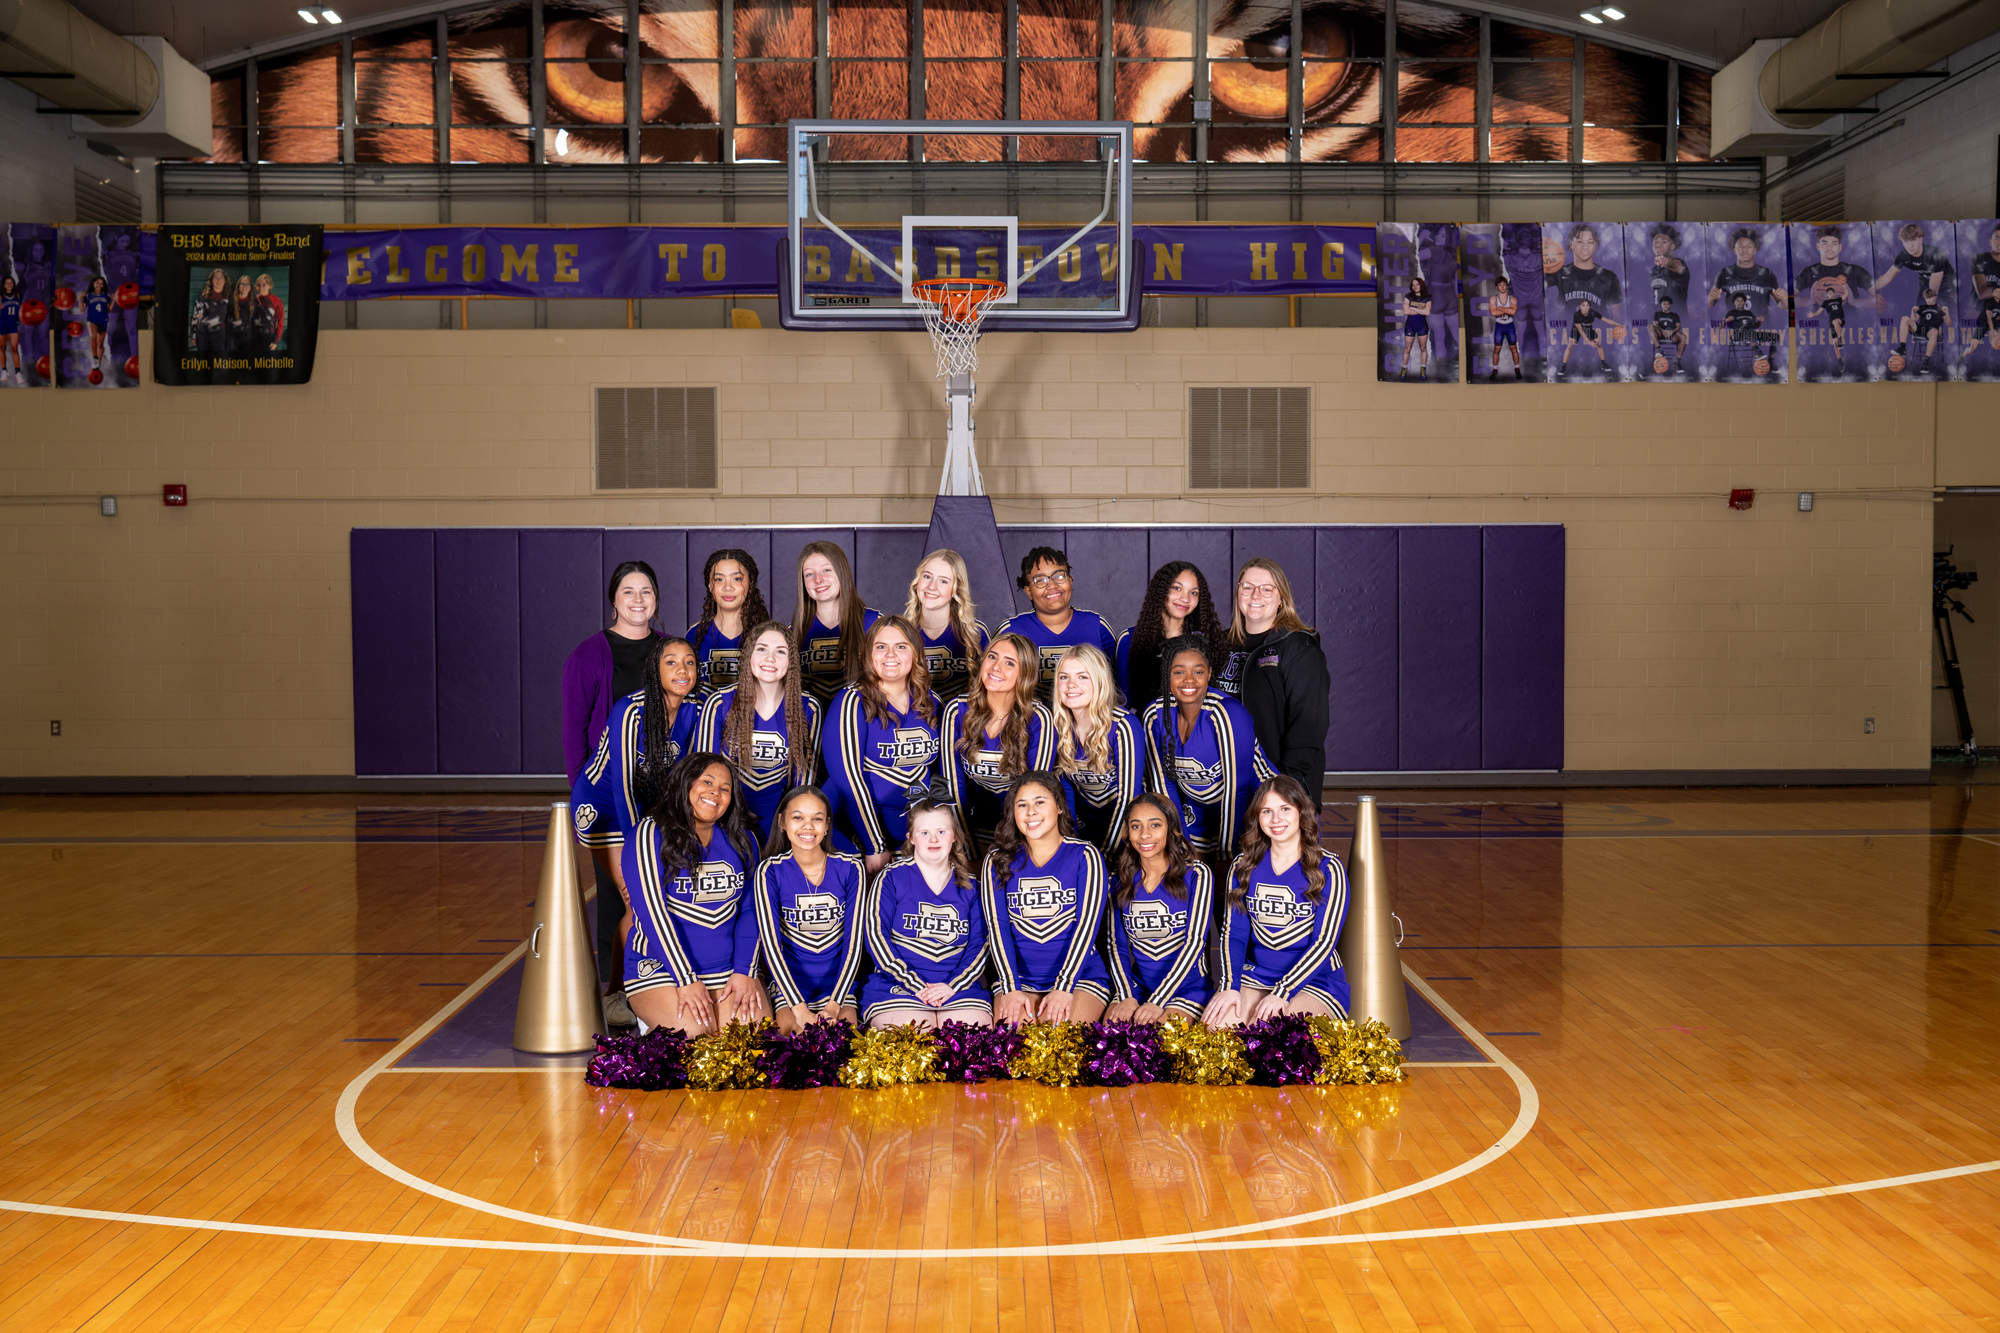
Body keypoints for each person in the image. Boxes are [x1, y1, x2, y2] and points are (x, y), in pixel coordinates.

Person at [572, 634, 700, 1024]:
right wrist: (637, 854)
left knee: (661, 896)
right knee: (637, 901)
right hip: (605, 808)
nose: (682, 670)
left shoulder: (696, 710)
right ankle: (614, 994)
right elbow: (624, 787)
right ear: (654, 670)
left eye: (689, 662)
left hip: (647, 809)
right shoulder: (631, 710)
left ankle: (649, 981)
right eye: (671, 662)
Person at [622, 752, 768, 1035]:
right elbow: (653, 913)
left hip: (728, 970)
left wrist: (745, 971)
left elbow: (752, 910)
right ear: (685, 782)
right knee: (697, 1040)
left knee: (750, 1041)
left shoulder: (744, 838)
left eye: (725, 788)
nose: (716, 792)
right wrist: (685, 978)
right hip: (663, 970)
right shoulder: (649, 833)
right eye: (707, 782)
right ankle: (652, 1022)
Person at [1202, 775, 1349, 1028]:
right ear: (1257, 818)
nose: (1276, 819)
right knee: (1216, 1029)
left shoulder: (1328, 868)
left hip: (1314, 980)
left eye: (1285, 809)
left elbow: (1324, 942)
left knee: (1281, 1035)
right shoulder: (1243, 866)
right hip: (1257, 975)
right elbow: (1234, 934)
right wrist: (1229, 986)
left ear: (1301, 812)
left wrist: (1283, 992)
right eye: (1266, 811)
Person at [981, 771, 1111, 1025]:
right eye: (1022, 805)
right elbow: (997, 927)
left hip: (1079, 979)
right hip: (1018, 980)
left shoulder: (1085, 855)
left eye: (1040, 802)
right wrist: (1010, 987)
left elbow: (1086, 928)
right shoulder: (997, 859)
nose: (1031, 812)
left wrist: (1064, 986)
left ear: (1059, 807)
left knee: (1061, 1040)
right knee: (1012, 1043)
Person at [860, 794, 993, 1029]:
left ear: (954, 836)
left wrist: (953, 986)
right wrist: (914, 984)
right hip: (897, 985)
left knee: (970, 1042)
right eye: (924, 833)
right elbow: (875, 937)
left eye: (941, 831)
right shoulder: (891, 878)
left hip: (957, 987)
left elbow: (980, 944)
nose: (933, 839)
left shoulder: (973, 886)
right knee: (914, 1036)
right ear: (910, 838)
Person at [821, 614, 941, 872]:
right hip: (857, 833)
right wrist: (874, 845)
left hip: (912, 835)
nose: (890, 655)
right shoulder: (851, 701)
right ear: (868, 654)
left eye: (901, 646)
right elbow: (848, 780)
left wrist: (938, 828)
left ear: (915, 652)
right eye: (881, 646)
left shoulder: (932, 701)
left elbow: (940, 775)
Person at [1142, 634, 1276, 863]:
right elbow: (1164, 786)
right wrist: (1182, 843)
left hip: (1253, 804)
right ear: (1167, 674)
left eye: (1198, 671)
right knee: (1182, 865)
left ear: (1210, 673)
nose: (1189, 680)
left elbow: (1238, 791)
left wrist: (1226, 853)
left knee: (1240, 871)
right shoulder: (1155, 716)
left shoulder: (1227, 712)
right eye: (1179, 672)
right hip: (1199, 808)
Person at [751, 786, 867, 1032]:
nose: (808, 826)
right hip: (791, 986)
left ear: (827, 825)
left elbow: (854, 943)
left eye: (817, 819)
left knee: (842, 1043)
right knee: (793, 1041)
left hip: (838, 985)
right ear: (782, 823)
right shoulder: (769, 870)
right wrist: (799, 1008)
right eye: (798, 817)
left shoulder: (851, 868)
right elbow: (771, 946)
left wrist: (834, 1005)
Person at [695, 621, 821, 842]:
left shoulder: (808, 708)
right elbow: (704, 778)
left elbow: (803, 784)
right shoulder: (720, 703)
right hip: (726, 820)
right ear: (748, 656)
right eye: (761, 649)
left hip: (780, 823)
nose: (770, 658)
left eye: (780, 652)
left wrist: (788, 828)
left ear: (791, 661)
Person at [1102, 794, 1215, 1024]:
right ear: (1127, 833)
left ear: (1171, 829)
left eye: (1155, 825)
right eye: (1136, 826)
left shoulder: (1197, 874)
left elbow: (1194, 943)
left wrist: (1157, 1001)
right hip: (1139, 986)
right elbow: (1116, 944)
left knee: (1161, 1040)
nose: (1145, 834)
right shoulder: (1118, 880)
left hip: (1187, 987)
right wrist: (1126, 996)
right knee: (1109, 1036)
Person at [939, 633, 1056, 852]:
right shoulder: (957, 711)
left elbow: (1036, 793)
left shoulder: (1038, 718)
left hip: (1021, 834)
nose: (996, 667)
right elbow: (952, 786)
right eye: (992, 657)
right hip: (971, 830)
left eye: (1009, 663)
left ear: (1025, 674)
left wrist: (1016, 848)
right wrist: (968, 849)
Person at [1226, 558, 1330, 792]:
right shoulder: (1220, 645)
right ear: (1238, 593)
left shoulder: (1299, 648)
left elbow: (1308, 726)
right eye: (1247, 587)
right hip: (1229, 785)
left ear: (1281, 598)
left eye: (1267, 589)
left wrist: (1283, 784)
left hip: (1280, 785)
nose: (1255, 595)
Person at [561, 560, 664, 788]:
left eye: (646, 591)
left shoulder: (673, 649)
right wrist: (582, 790)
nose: (638, 599)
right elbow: (573, 731)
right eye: (628, 592)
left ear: (655, 599)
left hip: (665, 779)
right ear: (614, 601)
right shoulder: (586, 656)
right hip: (611, 780)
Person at [997, 545, 1118, 704]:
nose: (1052, 585)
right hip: (1029, 719)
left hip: (1086, 718)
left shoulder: (1097, 626)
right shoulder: (1011, 630)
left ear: (1070, 580)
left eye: (1059, 576)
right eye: (1040, 580)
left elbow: (1116, 687)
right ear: (1028, 591)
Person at [1050, 645, 1143, 852]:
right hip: (1084, 828)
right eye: (1064, 677)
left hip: (1125, 832)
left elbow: (1129, 798)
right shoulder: (1056, 725)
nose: (1071, 685)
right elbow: (1064, 792)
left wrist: (1108, 855)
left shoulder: (1124, 725)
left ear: (1099, 681)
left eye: (1082, 677)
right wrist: (1073, 846)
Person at [1116, 560, 1227, 710]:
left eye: (1193, 593)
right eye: (1177, 588)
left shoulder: (1206, 641)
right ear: (1161, 590)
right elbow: (1123, 703)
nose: (1185, 598)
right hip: (1146, 722)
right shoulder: (1130, 639)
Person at [791, 540, 879, 708]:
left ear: (842, 572)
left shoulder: (876, 624)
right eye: (809, 574)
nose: (818, 579)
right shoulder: (791, 633)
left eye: (826, 570)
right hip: (809, 723)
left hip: (860, 721)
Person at [904, 548, 988, 704]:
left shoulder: (976, 633)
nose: (931, 587)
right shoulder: (900, 632)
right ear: (917, 581)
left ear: (957, 589)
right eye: (927, 576)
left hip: (961, 718)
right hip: (917, 717)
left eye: (943, 581)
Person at [688, 548, 770, 698]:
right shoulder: (694, 635)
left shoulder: (768, 635)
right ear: (710, 585)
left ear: (751, 583)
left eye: (737, 579)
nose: (728, 587)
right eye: (719, 579)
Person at [1548, 223, 1622, 380]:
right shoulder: (1558, 273)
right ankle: (1563, 366)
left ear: (1596, 245)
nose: (1585, 246)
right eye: (1580, 241)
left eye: (1590, 241)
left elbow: (1616, 315)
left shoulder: (1609, 277)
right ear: (1571, 244)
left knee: (1600, 347)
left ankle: (1604, 363)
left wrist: (1618, 327)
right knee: (1570, 346)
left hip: (1597, 333)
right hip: (1565, 336)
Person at [1795, 226, 1872, 377]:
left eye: (1834, 243)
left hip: (1853, 335)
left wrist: (1855, 302)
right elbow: (1785, 302)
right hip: (1817, 340)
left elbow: (1880, 299)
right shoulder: (1809, 272)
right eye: (1824, 243)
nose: (1829, 247)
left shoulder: (1854, 271)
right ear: (1818, 246)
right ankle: (1839, 359)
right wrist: (1809, 300)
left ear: (1840, 247)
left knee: (1857, 377)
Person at [1707, 226, 1788, 328]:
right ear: (1734, 249)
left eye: (1749, 246)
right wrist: (1710, 298)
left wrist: (1785, 299)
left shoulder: (1767, 274)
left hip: (1761, 332)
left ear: (1755, 249)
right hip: (1734, 333)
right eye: (1740, 246)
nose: (1745, 250)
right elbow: (1710, 304)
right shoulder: (1724, 273)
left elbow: (1783, 306)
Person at [1894, 287, 1950, 377]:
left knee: (1934, 332)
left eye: (1930, 298)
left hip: (1931, 331)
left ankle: (1926, 361)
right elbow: (1914, 320)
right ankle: (1902, 349)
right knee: (1904, 319)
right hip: (1921, 329)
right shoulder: (1923, 307)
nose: (1928, 300)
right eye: (1926, 298)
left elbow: (1948, 323)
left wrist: (1947, 313)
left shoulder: (1940, 308)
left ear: (1934, 297)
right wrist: (1912, 312)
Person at [1398, 275, 1432, 380]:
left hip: (1422, 327)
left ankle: (1423, 369)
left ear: (1421, 285)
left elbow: (1427, 312)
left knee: (1423, 348)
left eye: (1417, 284)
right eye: (1413, 285)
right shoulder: (1408, 296)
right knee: (1407, 348)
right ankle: (1404, 369)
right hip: (1410, 326)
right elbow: (1406, 311)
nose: (1415, 287)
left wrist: (1413, 308)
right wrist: (1421, 310)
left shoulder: (1427, 298)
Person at [1488, 275, 1521, 381]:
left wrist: (1500, 308)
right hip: (1499, 326)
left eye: (1504, 285)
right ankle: (1495, 370)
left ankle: (1517, 369)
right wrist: (1507, 309)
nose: (1502, 287)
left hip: (1510, 326)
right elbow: (1493, 312)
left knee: (1514, 348)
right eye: (1500, 285)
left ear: (1507, 286)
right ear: (1496, 287)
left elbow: (1513, 312)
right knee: (1497, 349)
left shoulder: (1512, 299)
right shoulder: (1493, 298)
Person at [190, 268, 229, 358]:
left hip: (219, 336)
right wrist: (194, 335)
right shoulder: (202, 297)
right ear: (211, 281)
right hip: (203, 336)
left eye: (221, 277)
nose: (218, 280)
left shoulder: (229, 298)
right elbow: (196, 316)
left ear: (225, 280)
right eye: (215, 277)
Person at [1649, 298, 1686, 377]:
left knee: (1683, 337)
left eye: (1667, 304)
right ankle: (1660, 350)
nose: (1666, 305)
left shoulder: (1675, 315)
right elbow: (1655, 324)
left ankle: (1677, 363)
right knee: (1650, 327)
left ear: (1670, 305)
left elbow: (1678, 327)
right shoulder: (1657, 314)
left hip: (1672, 335)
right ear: (1661, 305)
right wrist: (1662, 330)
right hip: (1660, 334)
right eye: (1664, 304)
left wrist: (1671, 332)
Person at [82, 276, 111, 374]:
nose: (99, 285)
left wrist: (114, 300)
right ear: (93, 284)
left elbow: (108, 310)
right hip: (92, 320)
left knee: (100, 344)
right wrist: (80, 299)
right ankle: (95, 358)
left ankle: (97, 364)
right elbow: (82, 309)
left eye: (101, 283)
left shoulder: (106, 296)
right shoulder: (87, 295)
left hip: (103, 321)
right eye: (97, 283)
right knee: (93, 336)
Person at [252, 273, 285, 352]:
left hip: (268, 338)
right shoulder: (254, 299)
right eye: (258, 285)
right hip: (254, 337)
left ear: (270, 286)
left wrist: (276, 340)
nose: (261, 287)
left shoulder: (276, 301)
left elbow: (280, 322)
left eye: (264, 285)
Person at [225, 274, 257, 354]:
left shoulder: (254, 301)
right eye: (242, 283)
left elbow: (254, 319)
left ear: (251, 287)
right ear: (238, 285)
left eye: (247, 284)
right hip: (231, 336)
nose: (245, 286)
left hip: (246, 336)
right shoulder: (230, 299)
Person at [0, 275, 20, 386]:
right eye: (7, 283)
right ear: (4, 285)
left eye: (11, 282)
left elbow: (23, 310)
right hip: (2, 325)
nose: (9, 284)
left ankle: (17, 372)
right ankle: (4, 371)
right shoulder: (0, 297)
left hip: (13, 325)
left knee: (14, 348)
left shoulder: (18, 296)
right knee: (2, 348)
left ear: (13, 284)